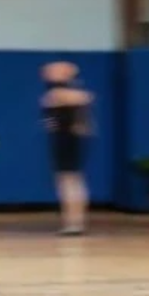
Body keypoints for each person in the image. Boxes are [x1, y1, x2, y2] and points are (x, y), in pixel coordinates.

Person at [40, 62, 94, 236]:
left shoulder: (64, 94)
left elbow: (85, 99)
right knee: (67, 181)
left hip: (68, 140)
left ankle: (75, 222)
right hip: (61, 139)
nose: (47, 72)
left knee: (70, 181)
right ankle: (72, 221)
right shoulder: (55, 94)